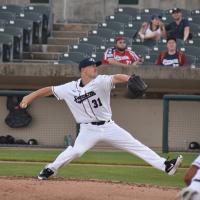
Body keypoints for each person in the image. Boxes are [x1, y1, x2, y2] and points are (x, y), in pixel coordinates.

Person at [20, 57, 183, 180]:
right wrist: (29, 97)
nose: (95, 68)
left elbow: (116, 77)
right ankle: (50, 169)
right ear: (83, 70)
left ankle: (165, 166)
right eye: (92, 66)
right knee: (76, 151)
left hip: (109, 127)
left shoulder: (100, 81)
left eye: (95, 65)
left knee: (135, 145)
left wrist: (129, 79)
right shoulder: (69, 88)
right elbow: (49, 90)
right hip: (87, 129)